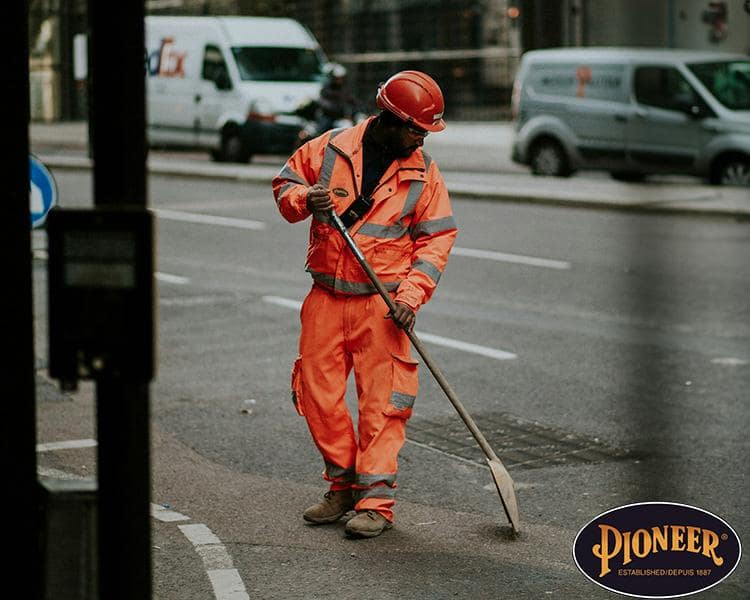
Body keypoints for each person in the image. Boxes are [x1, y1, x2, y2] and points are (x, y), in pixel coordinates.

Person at [272, 70, 457, 538]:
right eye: (416, 129)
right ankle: (343, 486)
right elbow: (285, 185)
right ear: (389, 118)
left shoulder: (424, 172)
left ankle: (376, 502)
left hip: (382, 303)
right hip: (326, 298)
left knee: (383, 404)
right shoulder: (329, 149)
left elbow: (435, 241)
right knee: (318, 396)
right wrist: (302, 199)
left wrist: (411, 297)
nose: (420, 139)